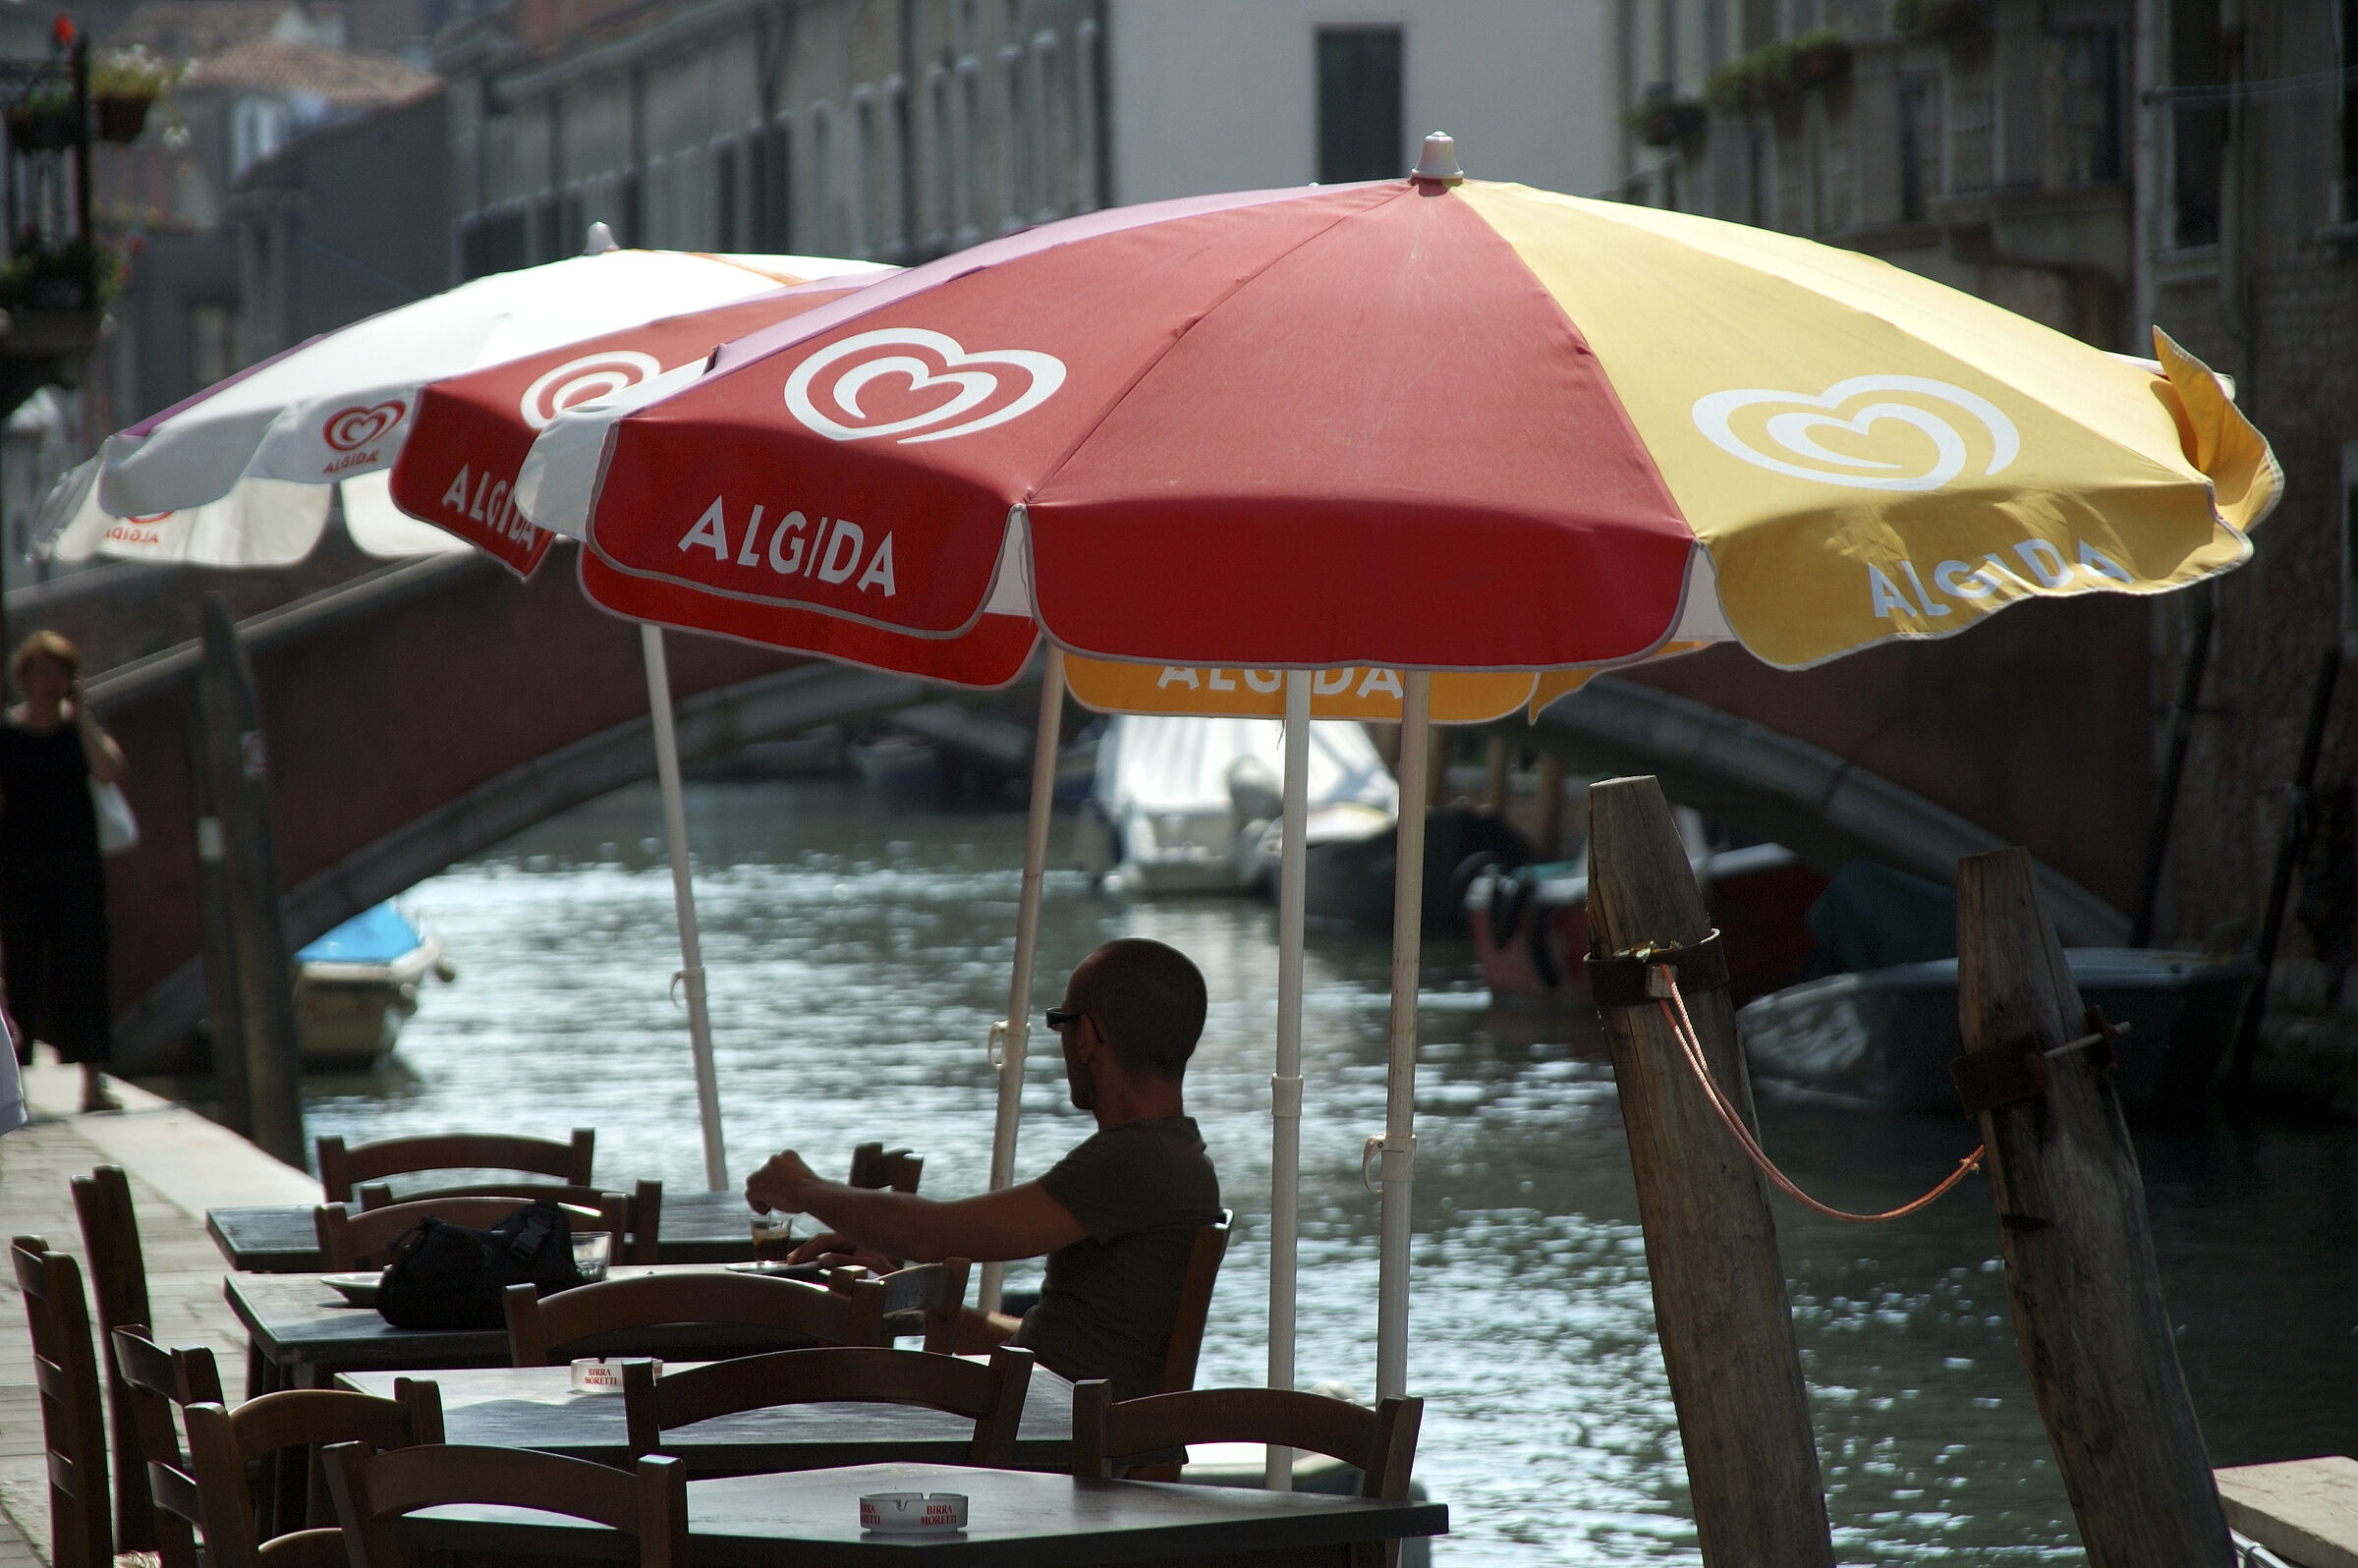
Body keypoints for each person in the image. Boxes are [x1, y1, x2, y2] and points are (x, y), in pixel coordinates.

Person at [745, 937, 1222, 1400]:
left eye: (1061, 1022)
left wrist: (804, 1188)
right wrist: (908, 1300)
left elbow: (933, 1233)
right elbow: (1049, 1344)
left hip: (1049, 1442)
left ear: (1090, 1037)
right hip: (1055, 1422)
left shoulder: (1134, 1161)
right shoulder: (1172, 1156)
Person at [0, 632, 127, 1112]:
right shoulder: (7, 734)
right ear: (25, 677)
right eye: (44, 672)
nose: (52, 682)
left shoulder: (81, 729)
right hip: (21, 870)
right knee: (21, 974)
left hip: (77, 869)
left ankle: (93, 1083)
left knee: (86, 972)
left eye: (61, 673)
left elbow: (110, 770)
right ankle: (17, 1084)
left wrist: (83, 710)